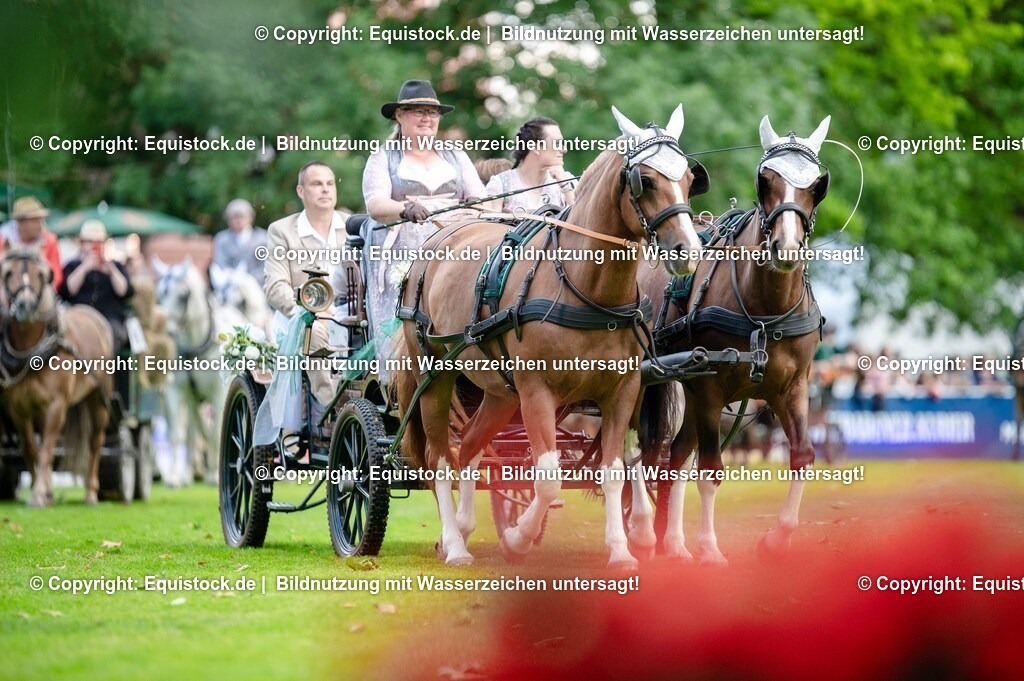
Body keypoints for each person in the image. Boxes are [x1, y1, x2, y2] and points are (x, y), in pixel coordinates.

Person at [362, 79, 488, 346]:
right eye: (418, 111)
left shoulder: (455, 154)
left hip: (454, 239)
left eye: (432, 113)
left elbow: (481, 198)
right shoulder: (383, 156)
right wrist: (405, 209)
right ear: (400, 115)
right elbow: (375, 205)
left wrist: (475, 204)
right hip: (406, 245)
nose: (427, 119)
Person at [264, 160, 351, 411]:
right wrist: (308, 311)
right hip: (303, 316)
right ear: (301, 191)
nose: (325, 189)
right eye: (316, 183)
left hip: (350, 315)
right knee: (315, 333)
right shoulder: (281, 231)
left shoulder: (353, 226)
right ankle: (333, 408)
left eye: (329, 183)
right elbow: (275, 286)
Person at [58, 219, 134, 350]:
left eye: (99, 242)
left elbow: (125, 291)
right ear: (82, 244)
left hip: (109, 318)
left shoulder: (116, 265)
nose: (95, 245)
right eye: (90, 241)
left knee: (113, 336)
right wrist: (84, 268)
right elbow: (67, 291)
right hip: (78, 317)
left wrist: (111, 271)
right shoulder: (72, 266)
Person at [484, 117, 577, 214]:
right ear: (534, 146)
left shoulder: (568, 181)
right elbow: (490, 227)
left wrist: (565, 186)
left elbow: (580, 222)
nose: (564, 149)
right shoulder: (500, 184)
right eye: (556, 143)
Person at [0, 197, 64, 290]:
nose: (40, 225)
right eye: (35, 220)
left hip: (39, 293)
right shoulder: (4, 240)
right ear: (20, 222)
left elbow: (57, 278)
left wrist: (44, 264)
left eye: (41, 220)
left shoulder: (49, 241)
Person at [213, 198, 268, 282]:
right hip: (229, 284)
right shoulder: (221, 239)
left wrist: (246, 280)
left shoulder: (263, 238)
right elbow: (220, 264)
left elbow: (265, 267)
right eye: (234, 217)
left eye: (241, 216)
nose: (237, 220)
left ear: (250, 217)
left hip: (256, 286)